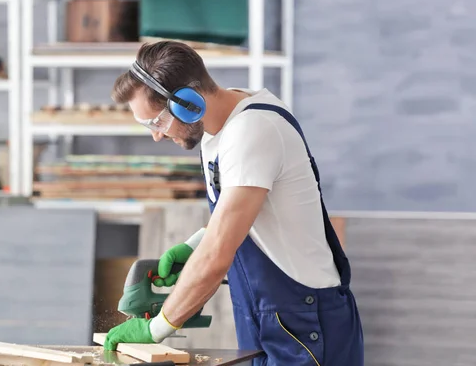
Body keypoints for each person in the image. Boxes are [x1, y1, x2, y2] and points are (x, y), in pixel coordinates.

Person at [103, 40, 364, 366]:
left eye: (156, 122)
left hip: (304, 321)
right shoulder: (216, 131)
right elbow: (242, 214)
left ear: (188, 104)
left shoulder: (251, 131)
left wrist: (155, 329)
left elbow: (217, 259)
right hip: (269, 315)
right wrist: (196, 245)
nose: (156, 135)